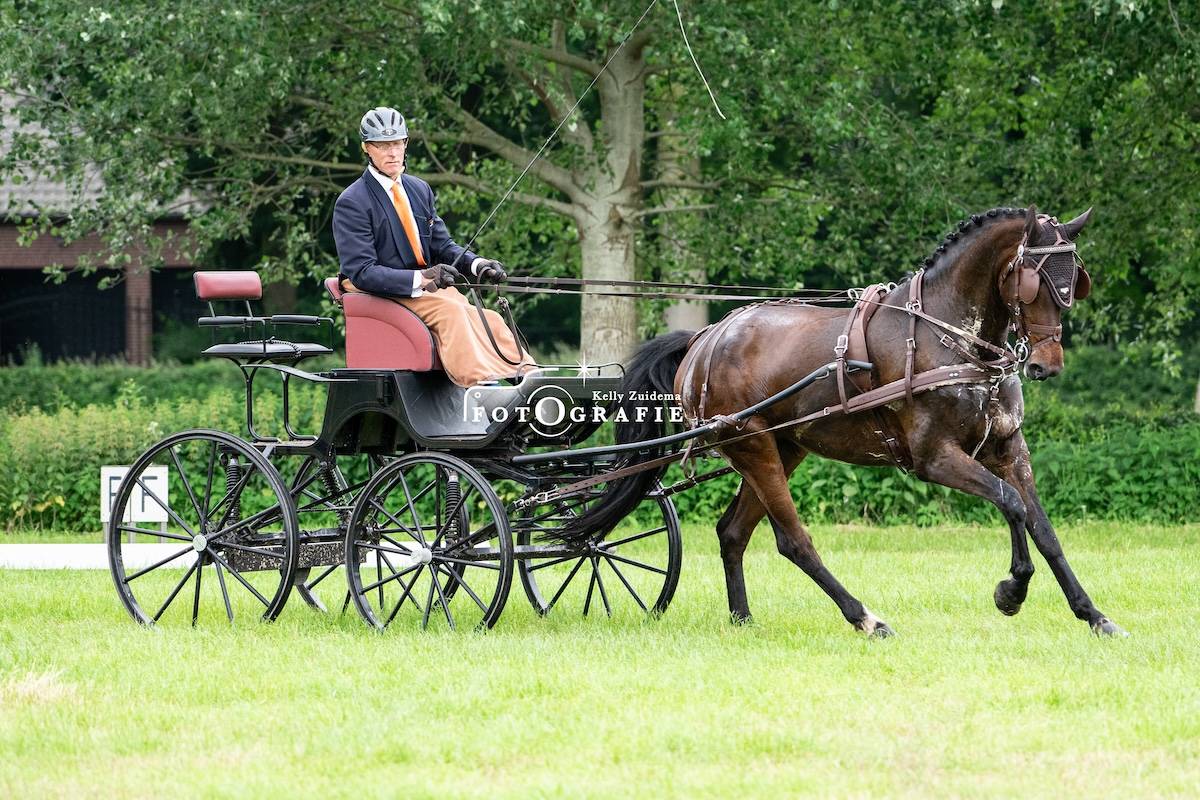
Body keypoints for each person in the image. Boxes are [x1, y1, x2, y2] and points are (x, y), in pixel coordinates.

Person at [332, 106, 533, 386]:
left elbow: (443, 246)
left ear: (406, 143)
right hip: (382, 289)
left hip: (426, 290)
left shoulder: (419, 189)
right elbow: (362, 271)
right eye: (382, 145)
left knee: (489, 319)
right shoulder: (352, 201)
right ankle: (480, 385)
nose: (392, 153)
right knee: (453, 314)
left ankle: (529, 379)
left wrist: (479, 265)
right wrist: (422, 277)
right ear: (367, 148)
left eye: (397, 143)